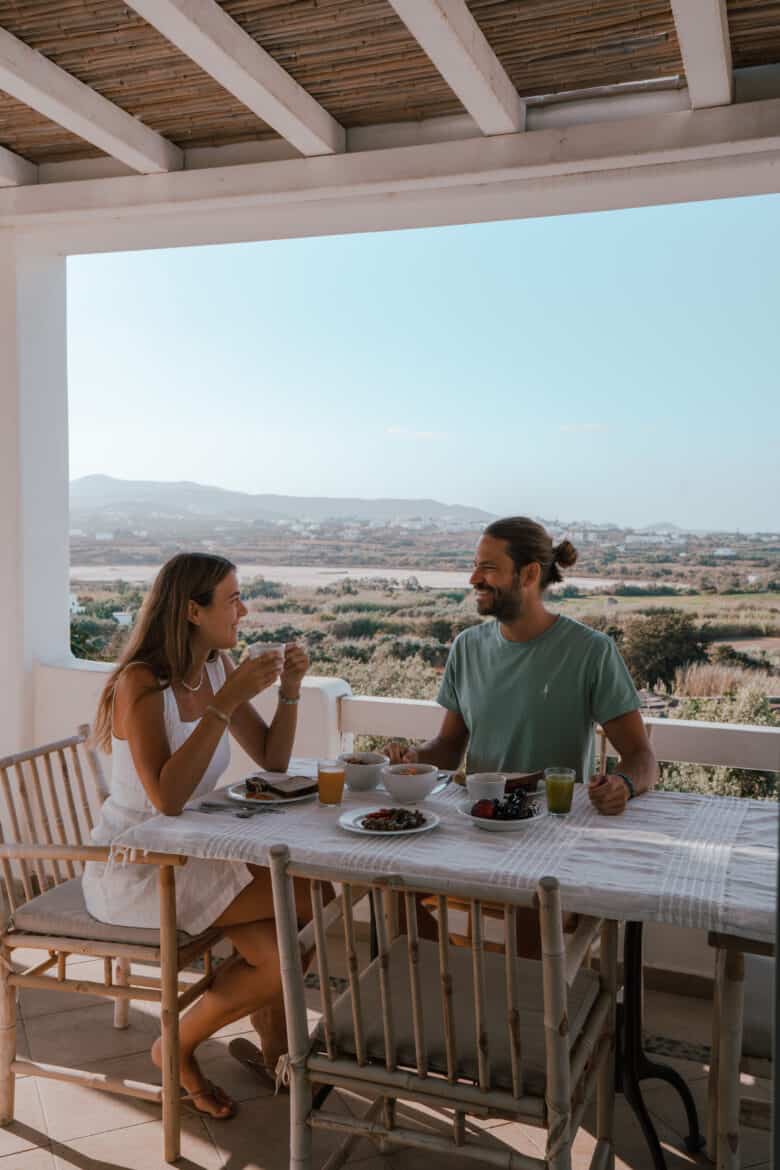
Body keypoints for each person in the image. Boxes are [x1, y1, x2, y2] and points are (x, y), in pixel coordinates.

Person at [84, 552, 311, 1119]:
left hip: (189, 854)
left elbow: (273, 758)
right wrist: (228, 700)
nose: (244, 609)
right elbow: (167, 797)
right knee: (304, 897)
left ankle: (231, 1044)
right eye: (233, 598)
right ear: (192, 609)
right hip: (138, 867)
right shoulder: (139, 683)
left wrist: (290, 690)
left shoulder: (212, 666)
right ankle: (184, 1047)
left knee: (283, 948)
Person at [385, 516, 657, 813]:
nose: (473, 578)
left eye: (487, 568)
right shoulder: (466, 646)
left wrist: (624, 785)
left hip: (554, 827)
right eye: (474, 566)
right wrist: (414, 757)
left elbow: (641, 756)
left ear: (529, 575)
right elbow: (449, 748)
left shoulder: (591, 651)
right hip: (479, 820)